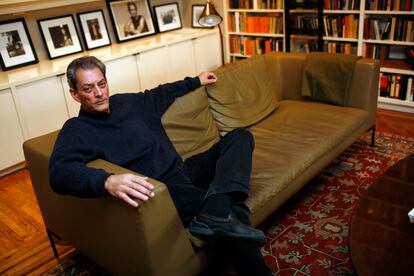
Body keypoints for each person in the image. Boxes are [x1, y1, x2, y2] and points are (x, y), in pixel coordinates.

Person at [48, 56, 272, 275]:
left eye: (102, 84)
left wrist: (196, 81)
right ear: (75, 95)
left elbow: (162, 92)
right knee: (234, 208)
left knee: (240, 137)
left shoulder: (128, 102)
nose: (98, 93)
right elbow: (58, 172)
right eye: (88, 89)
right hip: (164, 190)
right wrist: (106, 180)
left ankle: (214, 212)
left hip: (184, 169)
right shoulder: (77, 129)